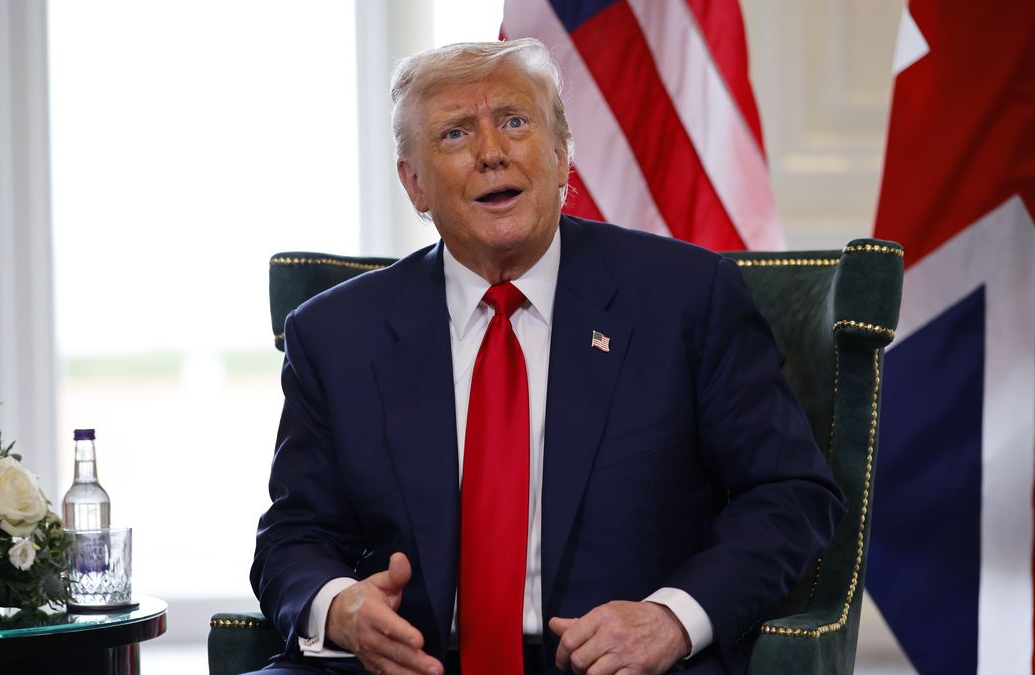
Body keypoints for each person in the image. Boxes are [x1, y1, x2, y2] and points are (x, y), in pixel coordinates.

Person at [250, 38, 845, 675]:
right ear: (414, 182)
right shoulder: (337, 334)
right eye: (455, 134)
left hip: (620, 666)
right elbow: (293, 535)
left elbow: (790, 493)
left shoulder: (685, 300)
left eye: (514, 122)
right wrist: (339, 607)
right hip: (406, 663)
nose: (491, 152)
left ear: (562, 157)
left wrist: (672, 618)